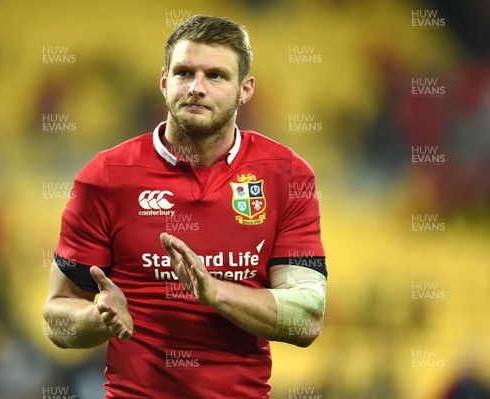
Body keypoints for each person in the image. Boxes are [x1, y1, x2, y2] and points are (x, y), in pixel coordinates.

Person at [44, 15, 327, 398]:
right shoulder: (105, 177)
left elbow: (307, 319)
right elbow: (56, 321)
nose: (196, 88)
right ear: (164, 82)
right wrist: (100, 317)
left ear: (245, 90)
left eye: (215, 76)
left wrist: (216, 293)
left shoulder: (287, 176)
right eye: (183, 73)